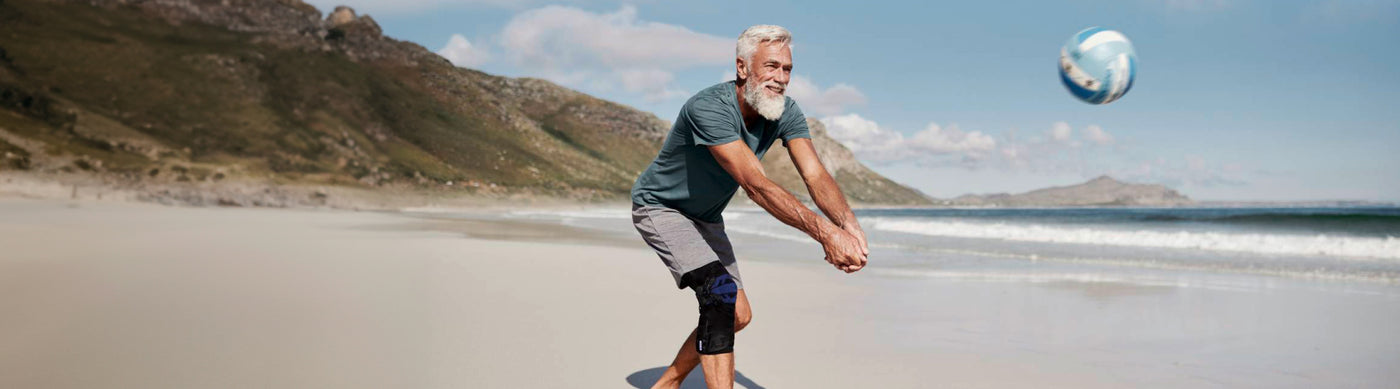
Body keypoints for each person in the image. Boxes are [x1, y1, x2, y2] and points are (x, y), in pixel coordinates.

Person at [630, 24, 870, 389]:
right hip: (661, 208)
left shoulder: (787, 112)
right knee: (719, 296)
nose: (781, 78)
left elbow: (814, 174)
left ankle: (666, 384)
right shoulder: (708, 107)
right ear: (742, 67)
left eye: (787, 69)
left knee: (737, 314)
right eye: (771, 66)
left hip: (707, 219)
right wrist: (826, 234)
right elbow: (756, 185)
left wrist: (847, 225)